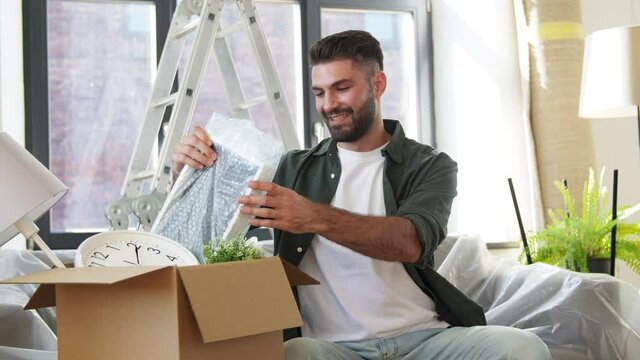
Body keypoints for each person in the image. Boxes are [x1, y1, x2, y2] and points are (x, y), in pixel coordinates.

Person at [172, 30, 551, 360]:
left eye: (342, 88)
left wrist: (315, 216)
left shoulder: (429, 166)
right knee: (293, 353)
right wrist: (190, 173)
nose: (328, 105)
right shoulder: (292, 169)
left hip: (426, 339)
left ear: (378, 84)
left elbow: (411, 242)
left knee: (524, 349)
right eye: (319, 92)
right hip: (332, 348)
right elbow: (210, 235)